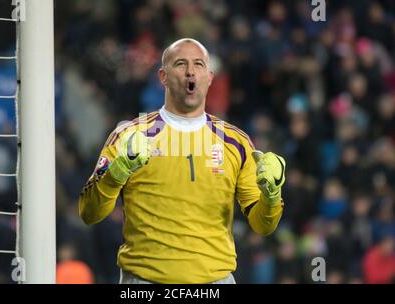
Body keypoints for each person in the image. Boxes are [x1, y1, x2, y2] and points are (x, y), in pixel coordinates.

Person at [79, 38, 286, 284]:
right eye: (180, 64)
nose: (190, 71)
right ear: (163, 77)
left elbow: (263, 225)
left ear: (209, 77)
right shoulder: (128, 136)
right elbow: (89, 213)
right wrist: (118, 171)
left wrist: (271, 195)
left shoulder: (236, 143)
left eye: (198, 64)